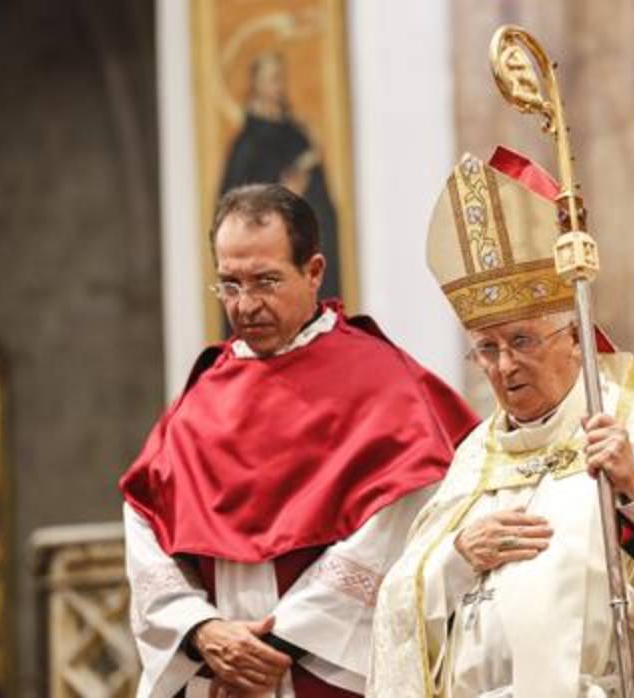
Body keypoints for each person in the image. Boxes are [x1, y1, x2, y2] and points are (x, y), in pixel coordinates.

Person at [368, 148, 634, 697]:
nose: (505, 366)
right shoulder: (475, 460)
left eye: (521, 341)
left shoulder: (631, 426)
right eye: (486, 350)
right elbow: (402, 600)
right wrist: (454, 558)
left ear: (574, 336)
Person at [119, 183, 478, 697]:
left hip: (331, 676)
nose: (245, 305)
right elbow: (146, 513)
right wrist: (200, 630)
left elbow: (409, 515)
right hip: (217, 675)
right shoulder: (204, 391)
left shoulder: (382, 382)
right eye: (229, 284)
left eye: (265, 281)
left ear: (313, 272)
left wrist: (280, 641)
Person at [220, 52, 341, 300]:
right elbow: (233, 212)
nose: (279, 85)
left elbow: (323, 208)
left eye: (280, 78)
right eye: (273, 78)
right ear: (257, 85)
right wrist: (283, 196)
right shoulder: (247, 145)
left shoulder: (298, 135)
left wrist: (305, 198)